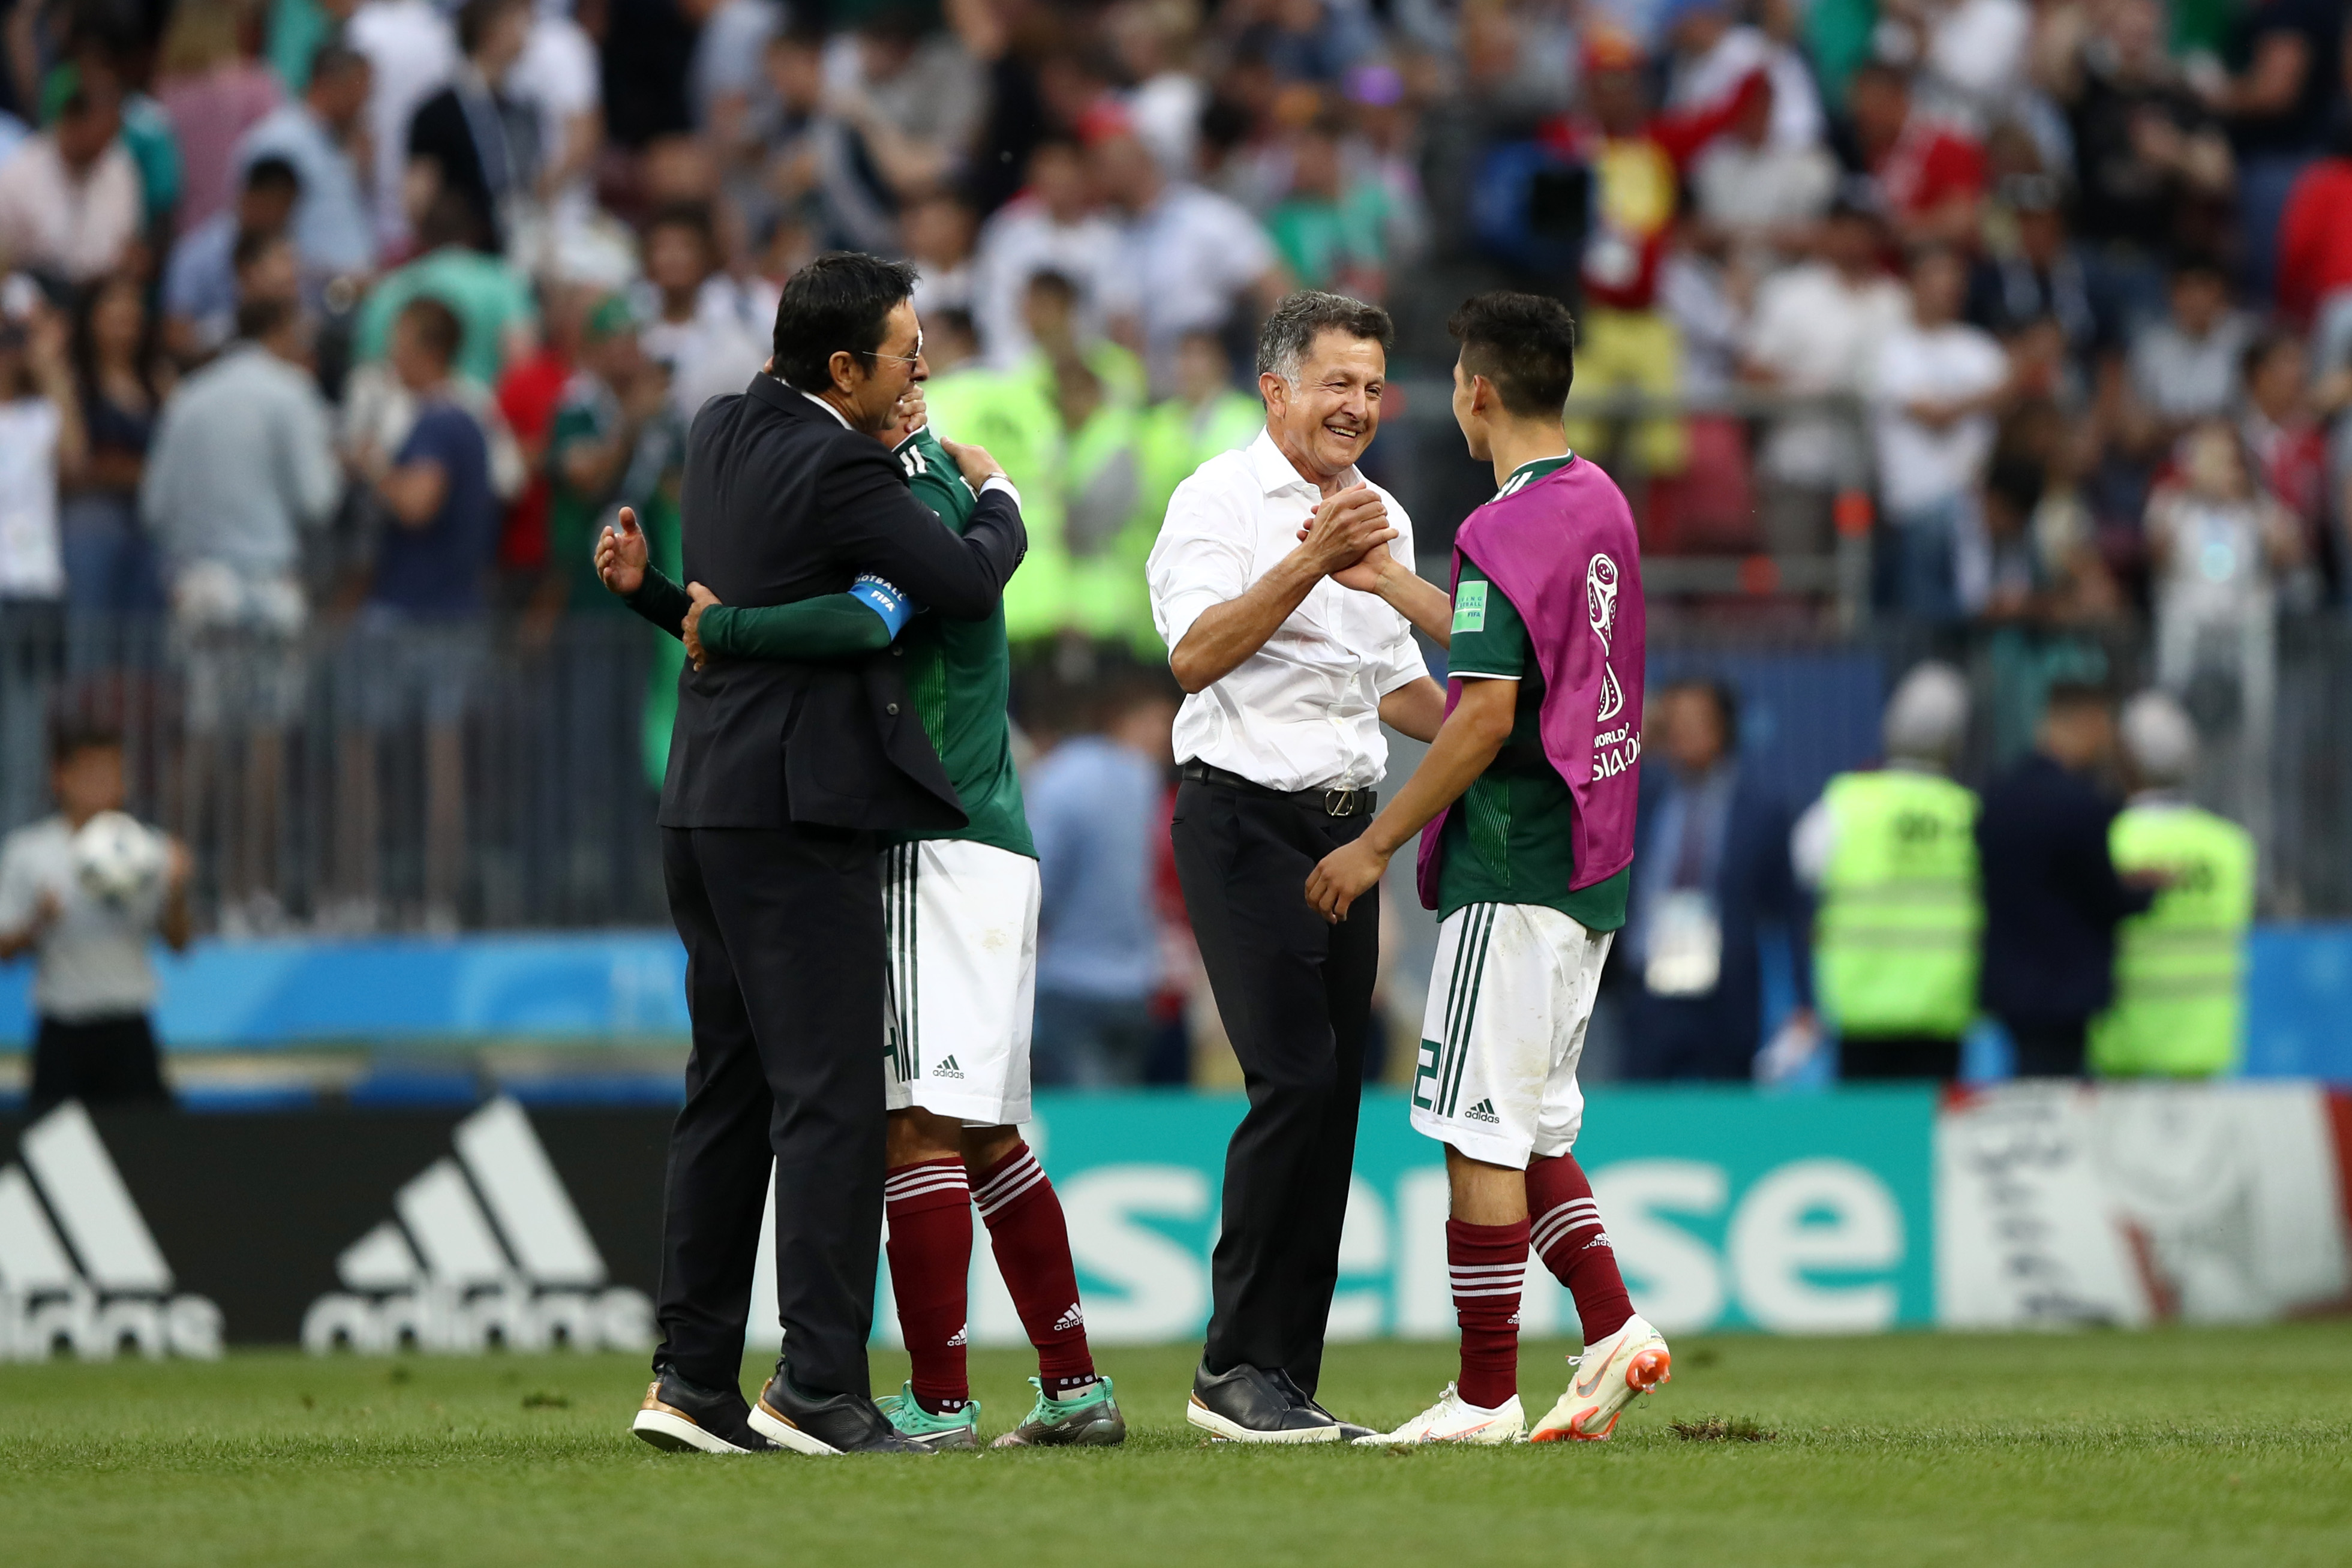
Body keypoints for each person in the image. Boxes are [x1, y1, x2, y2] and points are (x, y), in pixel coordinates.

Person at [608, 371, 1122, 1452]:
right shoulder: (920, 488)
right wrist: (667, 599)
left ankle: (937, 1402)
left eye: (917, 367)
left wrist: (720, 620)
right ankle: (1074, 1387)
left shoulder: (921, 498)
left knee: (912, 1121)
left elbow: (862, 618)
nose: (910, 380)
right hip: (968, 837)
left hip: (940, 838)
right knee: (979, 1125)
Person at [1302, 290, 1666, 1446]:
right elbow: (1520, 645)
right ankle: (1609, 1326)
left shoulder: (1498, 528)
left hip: (1511, 863)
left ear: (1478, 391)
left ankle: (1482, 1393)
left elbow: (1480, 717)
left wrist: (1372, 843)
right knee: (1534, 1125)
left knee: (1477, 1130)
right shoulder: (1593, 500)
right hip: (1588, 858)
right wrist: (1393, 590)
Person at [1146, 291, 1443, 1442]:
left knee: (1332, 1099)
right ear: (1275, 388)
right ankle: (1230, 1367)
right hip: (1239, 819)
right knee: (1290, 1076)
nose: (1357, 406)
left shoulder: (1385, 514)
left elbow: (1393, 687)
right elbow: (1193, 654)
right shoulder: (1216, 500)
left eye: (1372, 386)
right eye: (1337, 382)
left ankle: (1285, 1376)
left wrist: (1485, 723)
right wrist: (1312, 562)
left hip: (1342, 828)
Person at [140, 298, 338, 932]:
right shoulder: (290, 392)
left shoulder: (190, 396)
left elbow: (153, 507)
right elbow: (319, 498)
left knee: (198, 743)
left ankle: (176, 891)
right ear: (278, 331)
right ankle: (250, 893)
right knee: (264, 744)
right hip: (266, 587)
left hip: (200, 588)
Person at [347, 296, 500, 929]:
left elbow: (417, 504)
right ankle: (434, 902)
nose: (391, 356)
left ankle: (367, 897)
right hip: (453, 610)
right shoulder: (467, 421)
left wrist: (368, 466)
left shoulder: (438, 422)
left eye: (400, 342)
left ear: (428, 351)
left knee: (373, 759)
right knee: (441, 763)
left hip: (413, 614)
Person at [1791, 661, 1981, 1082]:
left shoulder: (1845, 806)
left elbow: (1804, 865)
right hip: (1940, 1013)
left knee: (1865, 1141)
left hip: (1861, 1013)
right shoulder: (1966, 815)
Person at [1618, 678, 1810, 1080]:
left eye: (1695, 720)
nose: (1682, 732)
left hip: (1726, 992)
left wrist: (1804, 1002)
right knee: (1640, 1111)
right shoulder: (1637, 801)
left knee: (1729, 1117)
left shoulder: (1760, 812)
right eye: (1673, 721)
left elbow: (1791, 912)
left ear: (1724, 727)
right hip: (1647, 990)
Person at [0, 715, 194, 1112]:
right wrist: (40, 921)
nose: (105, 784)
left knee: (147, 1158)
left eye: (113, 772)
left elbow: (180, 944)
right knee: (53, 1153)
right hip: (62, 1030)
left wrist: (175, 891)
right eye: (92, 772)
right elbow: (4, 949)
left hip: (129, 1028)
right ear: (61, 777)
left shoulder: (149, 850)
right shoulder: (30, 852)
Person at [1975, 681, 2155, 1078]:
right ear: (2088, 723)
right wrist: (2146, 893)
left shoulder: (1999, 794)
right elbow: (2105, 898)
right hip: (2065, 990)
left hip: (2010, 984)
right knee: (2056, 1092)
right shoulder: (2081, 803)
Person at [2089, 692, 2255, 1079]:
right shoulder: (2231, 847)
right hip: (2204, 1048)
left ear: (2124, 760)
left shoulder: (2108, 842)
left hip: (2122, 1045)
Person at [1028, 670, 1178, 1087]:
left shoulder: (1058, 779)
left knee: (1083, 1124)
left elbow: (1038, 885)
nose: (1168, 738)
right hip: (1136, 984)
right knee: (1118, 1116)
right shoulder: (1145, 781)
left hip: (1070, 979)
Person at [1871, 245, 2012, 620]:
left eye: (1955, 276)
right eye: (1936, 275)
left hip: (1978, 509)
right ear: (1913, 283)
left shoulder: (1982, 349)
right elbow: (1932, 416)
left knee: (1981, 615)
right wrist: (1995, 393)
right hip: (1916, 506)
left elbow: (2010, 412)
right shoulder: (1892, 349)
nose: (1947, 285)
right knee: (1923, 624)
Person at [62, 274, 167, 615]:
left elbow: (175, 453)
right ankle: (89, 665)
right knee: (95, 532)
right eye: (114, 307)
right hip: (92, 511)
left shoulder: (159, 379)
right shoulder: (74, 381)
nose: (126, 316)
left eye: (133, 308)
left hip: (152, 512)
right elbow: (74, 460)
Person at [235, 42, 378, 289]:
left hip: (351, 294)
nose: (365, 102)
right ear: (328, 84)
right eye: (359, 89)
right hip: (311, 298)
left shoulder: (339, 140)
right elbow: (259, 235)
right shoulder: (279, 142)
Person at [404, 0, 536, 255]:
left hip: (515, 247)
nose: (526, 34)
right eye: (517, 24)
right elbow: (418, 197)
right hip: (463, 254)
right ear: (490, 33)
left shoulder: (522, 109)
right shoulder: (439, 112)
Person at [0, 65, 143, 286]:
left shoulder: (119, 166)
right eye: (101, 132)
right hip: (37, 296)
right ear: (71, 120)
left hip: (100, 294)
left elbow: (126, 246)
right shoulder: (19, 176)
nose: (106, 144)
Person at [163, 154, 301, 360]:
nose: (280, 216)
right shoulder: (196, 254)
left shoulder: (284, 247)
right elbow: (176, 335)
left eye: (287, 208)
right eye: (275, 205)